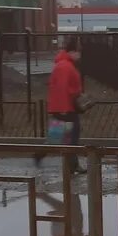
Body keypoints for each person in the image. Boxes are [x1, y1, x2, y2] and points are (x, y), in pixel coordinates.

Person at [45, 36, 85, 173]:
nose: (79, 55)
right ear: (72, 51)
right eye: (78, 51)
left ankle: (72, 166)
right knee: (70, 137)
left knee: (68, 137)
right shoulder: (65, 66)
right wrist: (64, 109)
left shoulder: (64, 64)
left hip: (66, 107)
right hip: (66, 108)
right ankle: (71, 166)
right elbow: (62, 88)